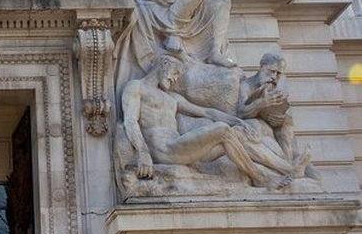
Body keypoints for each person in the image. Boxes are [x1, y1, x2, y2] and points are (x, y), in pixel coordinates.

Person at [122, 55, 294, 188]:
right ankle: (261, 178)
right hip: (164, 150)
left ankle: (288, 169)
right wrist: (143, 153)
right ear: (164, 64)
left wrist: (238, 122)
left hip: (182, 149)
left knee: (237, 133)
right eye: (175, 73)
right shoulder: (137, 87)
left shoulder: (172, 98)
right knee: (222, 129)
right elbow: (130, 121)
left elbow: (207, 112)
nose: (175, 79)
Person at [238, 52, 309, 170]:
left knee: (287, 128)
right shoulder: (246, 85)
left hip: (276, 129)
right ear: (262, 66)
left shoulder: (275, 88)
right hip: (257, 127)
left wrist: (284, 119)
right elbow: (241, 112)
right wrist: (262, 103)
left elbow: (287, 114)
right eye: (272, 71)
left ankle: (290, 164)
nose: (274, 77)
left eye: (279, 74)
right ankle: (287, 168)